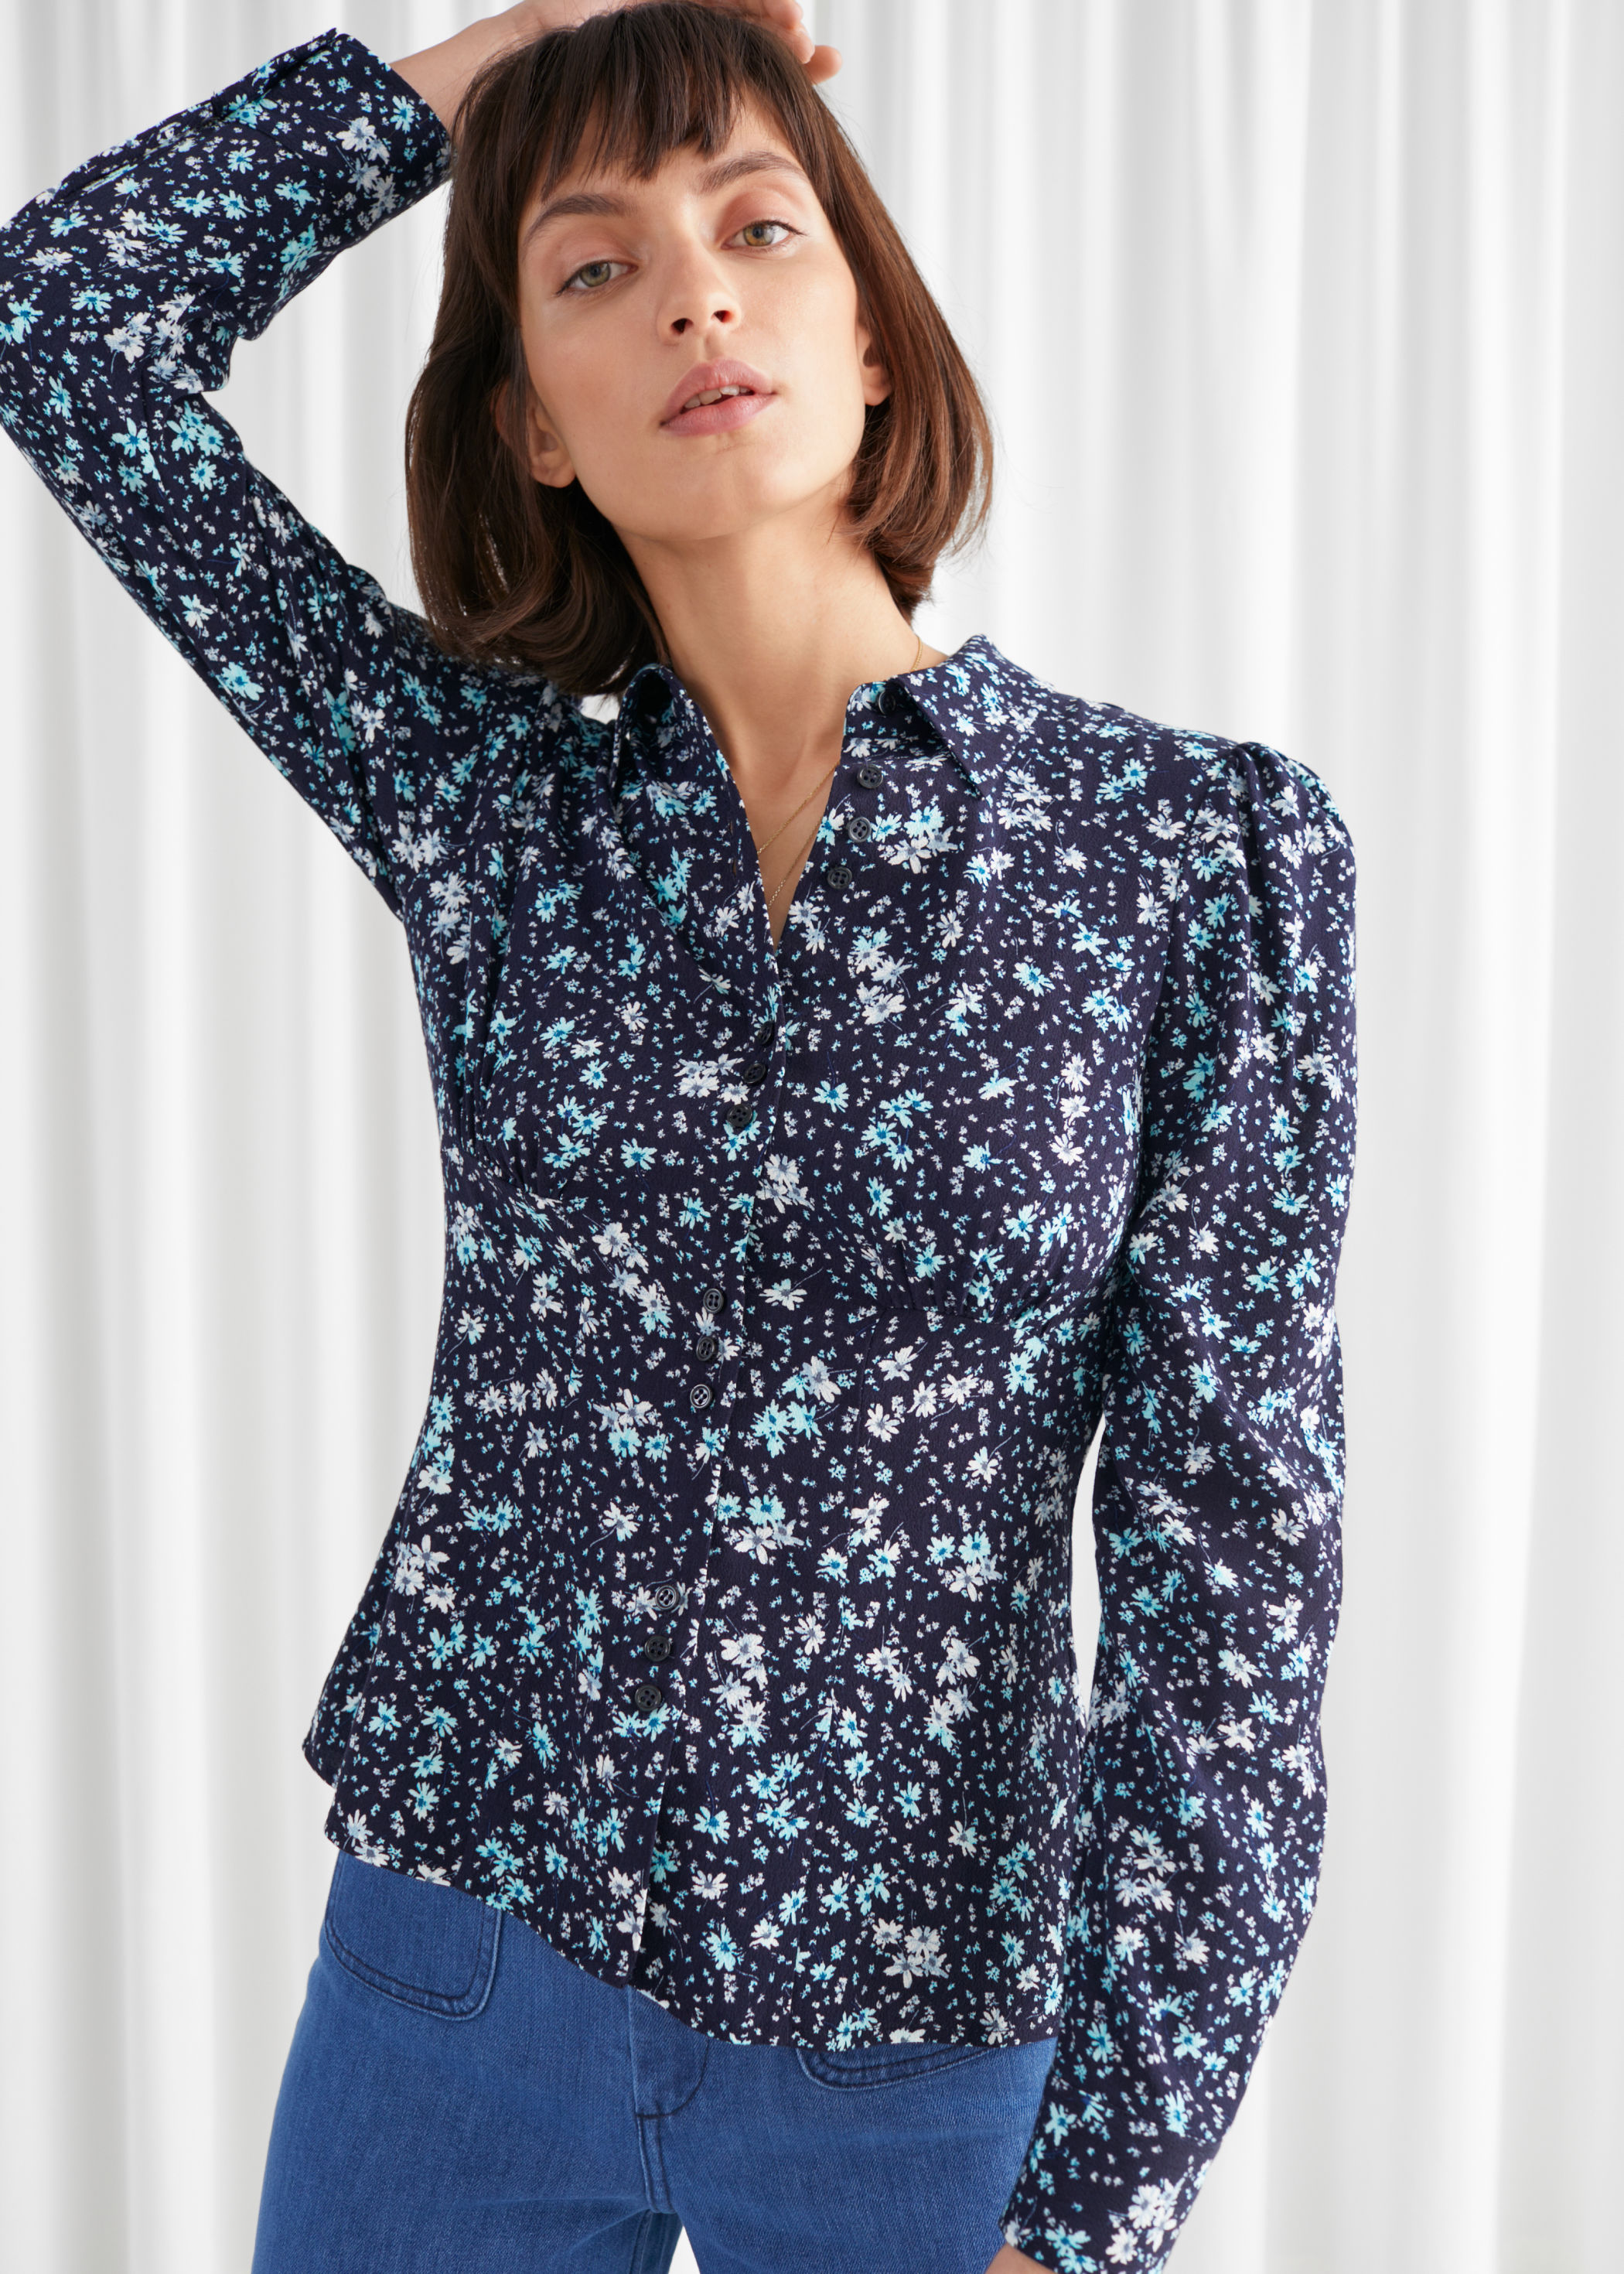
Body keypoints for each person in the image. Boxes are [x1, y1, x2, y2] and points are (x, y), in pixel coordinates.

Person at [0, 4, 1359, 2270]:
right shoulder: (484, 803)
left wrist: (1105, 2189)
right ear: (533, 422)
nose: (696, 300)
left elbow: (1234, 1561)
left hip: (925, 2042)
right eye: (596, 265)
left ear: (876, 342)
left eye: (756, 229)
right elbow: (59, 325)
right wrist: (530, 49)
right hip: (456, 1978)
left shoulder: (1193, 851)